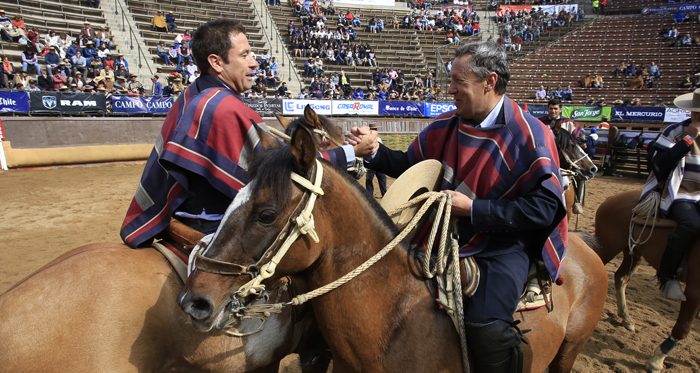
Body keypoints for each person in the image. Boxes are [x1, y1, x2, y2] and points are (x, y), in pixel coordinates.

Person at [346, 41, 567, 373]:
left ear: (489, 81)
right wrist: (374, 150)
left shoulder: (530, 134)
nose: (449, 90)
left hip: (503, 244)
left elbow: (545, 210)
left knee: (487, 327)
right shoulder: (447, 123)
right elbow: (408, 164)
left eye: (457, 82)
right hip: (437, 233)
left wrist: (475, 210)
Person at [120, 19, 376, 248]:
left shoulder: (191, 94)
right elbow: (285, 172)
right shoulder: (223, 107)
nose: (255, 62)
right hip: (211, 226)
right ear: (216, 62)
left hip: (181, 215)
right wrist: (352, 152)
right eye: (245, 55)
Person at [640, 89, 700, 301]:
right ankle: (667, 276)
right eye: (696, 112)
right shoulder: (676, 131)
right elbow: (659, 165)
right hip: (680, 192)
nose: (698, 117)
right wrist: (688, 140)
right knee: (691, 224)